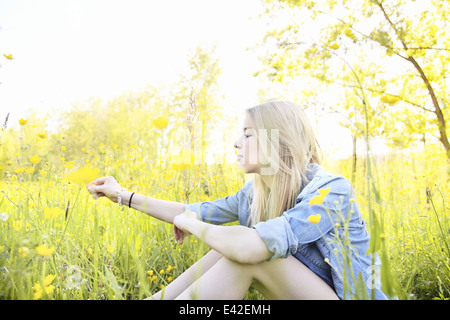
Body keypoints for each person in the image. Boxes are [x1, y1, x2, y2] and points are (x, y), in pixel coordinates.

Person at [87, 99, 388, 300]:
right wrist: (122, 195)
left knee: (254, 254)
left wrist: (190, 225)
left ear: (277, 139)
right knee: (228, 250)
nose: (235, 143)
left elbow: (247, 247)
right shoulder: (254, 194)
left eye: (247, 135)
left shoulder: (331, 190)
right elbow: (194, 211)